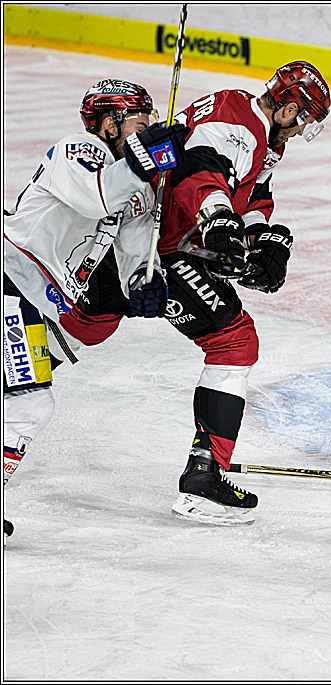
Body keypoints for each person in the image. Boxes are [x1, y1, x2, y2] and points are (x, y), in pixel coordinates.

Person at [57, 62, 331, 525]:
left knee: (87, 328)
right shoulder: (237, 122)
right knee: (234, 341)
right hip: (156, 246)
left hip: (144, 239)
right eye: (302, 120)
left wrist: (261, 240)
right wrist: (220, 221)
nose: (301, 131)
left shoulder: (252, 125)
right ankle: (204, 479)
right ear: (287, 109)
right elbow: (199, 172)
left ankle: (15, 366)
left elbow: (253, 193)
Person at [3, 79, 189, 540]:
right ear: (109, 125)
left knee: (21, 404)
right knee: (27, 405)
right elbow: (97, 196)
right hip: (10, 277)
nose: (146, 135)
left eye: (149, 129)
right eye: (138, 126)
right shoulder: (80, 150)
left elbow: (132, 249)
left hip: (27, 295)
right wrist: (145, 156)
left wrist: (146, 285)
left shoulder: (135, 180)